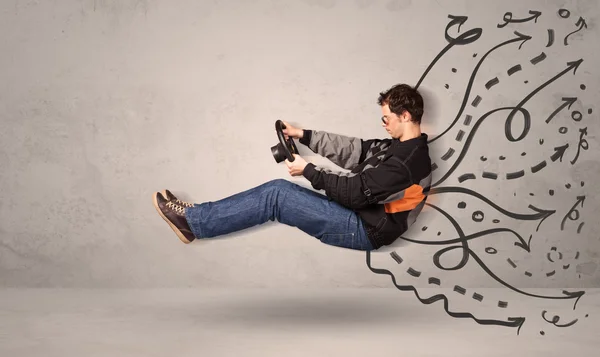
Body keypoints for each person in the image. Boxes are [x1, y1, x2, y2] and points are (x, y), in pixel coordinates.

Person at [152, 83, 432, 251]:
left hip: (365, 229)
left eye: (386, 118)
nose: (383, 124)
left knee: (278, 195)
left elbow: (356, 193)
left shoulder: (409, 161)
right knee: (279, 192)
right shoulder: (397, 147)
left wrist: (308, 171)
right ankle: (197, 217)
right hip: (359, 216)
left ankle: (193, 223)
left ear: (404, 115)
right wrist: (303, 135)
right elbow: (354, 149)